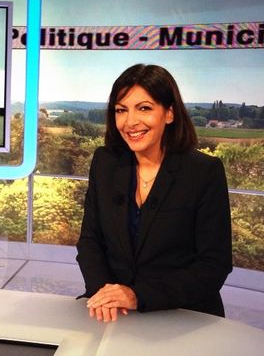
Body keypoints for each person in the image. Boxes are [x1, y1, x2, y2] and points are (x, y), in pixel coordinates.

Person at [76, 64, 232, 323]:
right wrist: (106, 293)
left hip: (182, 313)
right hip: (115, 313)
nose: (130, 122)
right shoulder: (105, 162)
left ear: (169, 113)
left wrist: (137, 296)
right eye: (121, 110)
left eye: (144, 108)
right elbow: (90, 241)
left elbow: (213, 265)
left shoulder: (203, 171)